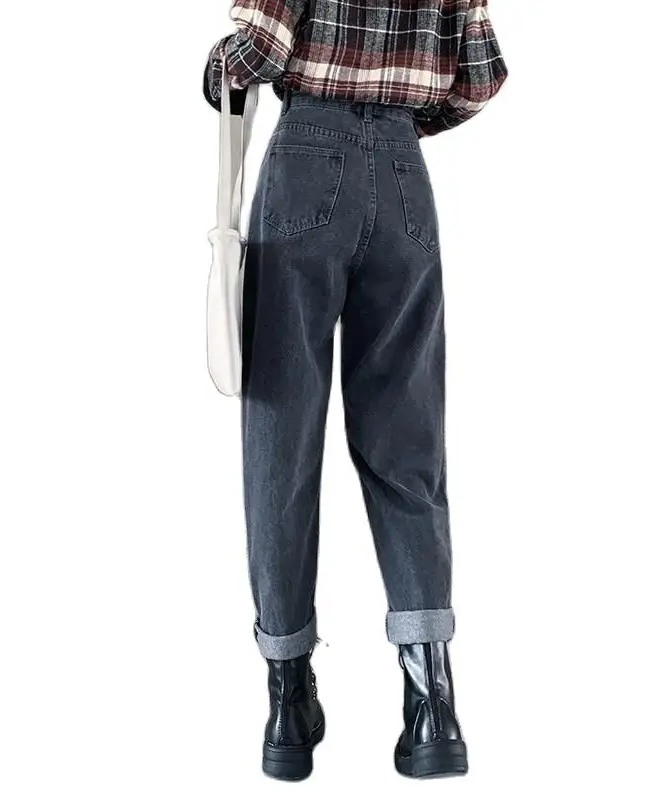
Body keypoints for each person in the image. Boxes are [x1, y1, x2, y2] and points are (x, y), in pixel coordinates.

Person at [203, 0, 506, 781]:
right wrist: (394, 122)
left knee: (281, 441)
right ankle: (432, 706)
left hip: (308, 158)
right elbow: (479, 78)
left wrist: (216, 69)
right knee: (409, 443)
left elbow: (257, 51)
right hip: (405, 175)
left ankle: (287, 702)